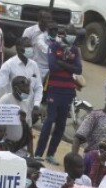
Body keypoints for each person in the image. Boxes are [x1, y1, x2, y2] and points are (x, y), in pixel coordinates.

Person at [35, 26, 82, 163]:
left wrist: (61, 62)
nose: (72, 37)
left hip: (68, 92)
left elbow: (78, 69)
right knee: (49, 121)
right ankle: (38, 153)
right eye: (70, 34)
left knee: (61, 125)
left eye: (74, 35)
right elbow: (52, 66)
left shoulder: (75, 50)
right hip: (54, 89)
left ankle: (50, 154)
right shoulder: (54, 46)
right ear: (64, 34)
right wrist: (68, 66)